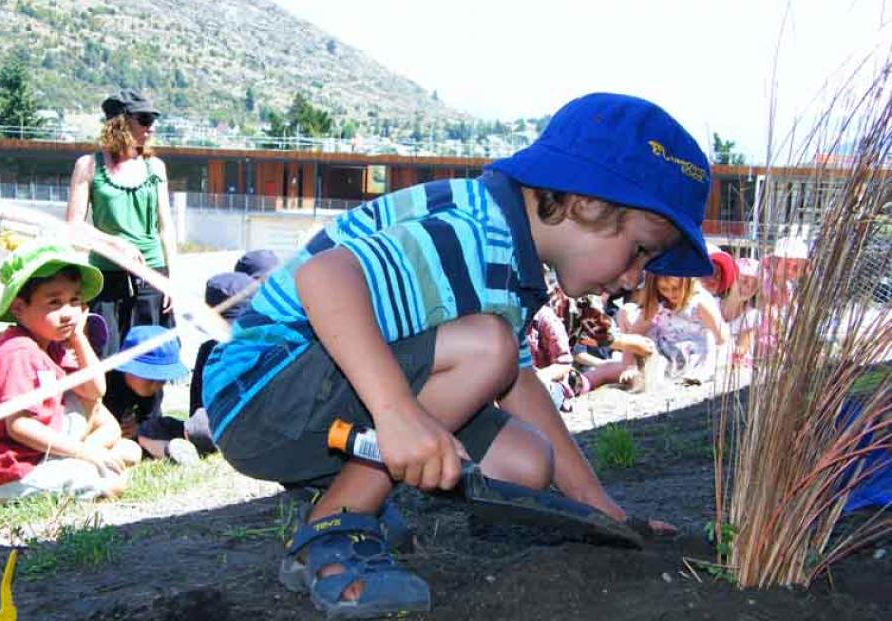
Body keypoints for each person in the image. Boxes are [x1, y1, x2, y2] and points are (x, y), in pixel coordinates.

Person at [202, 92, 713, 617]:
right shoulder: (472, 229)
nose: (635, 277)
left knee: (526, 462)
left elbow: (516, 383)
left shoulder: (514, 262)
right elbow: (324, 275)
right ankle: (334, 525)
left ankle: (332, 489)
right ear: (588, 202)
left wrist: (602, 509)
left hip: (323, 398)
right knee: (488, 346)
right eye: (641, 250)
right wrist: (397, 414)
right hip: (261, 393)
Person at [0, 242, 137, 500]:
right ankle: (0, 497)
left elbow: (95, 391)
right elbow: (19, 425)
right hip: (10, 471)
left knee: (123, 447)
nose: (68, 313)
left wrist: (79, 337)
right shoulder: (18, 351)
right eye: (54, 302)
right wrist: (83, 452)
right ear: (19, 309)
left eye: (74, 300)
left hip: (34, 457)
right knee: (115, 482)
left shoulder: (51, 347)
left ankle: (75, 464)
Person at [65, 89, 178, 358]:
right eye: (145, 119)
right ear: (120, 122)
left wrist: (172, 281)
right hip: (106, 277)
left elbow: (166, 227)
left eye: (153, 120)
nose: (152, 127)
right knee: (107, 358)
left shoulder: (156, 167)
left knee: (150, 361)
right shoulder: (89, 166)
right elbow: (73, 226)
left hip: (152, 276)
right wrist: (114, 242)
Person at [103, 325, 197, 464]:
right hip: (106, 435)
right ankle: (168, 452)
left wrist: (138, 427)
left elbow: (151, 418)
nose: (157, 384)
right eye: (151, 377)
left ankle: (180, 448)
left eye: (162, 378)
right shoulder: (106, 383)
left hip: (137, 435)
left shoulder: (153, 390)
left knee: (160, 428)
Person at [187, 271, 256, 456]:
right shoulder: (208, 349)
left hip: (260, 418)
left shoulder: (266, 344)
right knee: (195, 426)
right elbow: (197, 407)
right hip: (222, 422)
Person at [634, 275, 727, 385]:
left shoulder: (699, 302)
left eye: (676, 288)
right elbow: (634, 333)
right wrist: (628, 365)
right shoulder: (658, 303)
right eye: (664, 289)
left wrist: (717, 362)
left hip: (693, 353)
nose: (671, 294)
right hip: (664, 351)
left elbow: (722, 336)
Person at [721, 257, 761, 366]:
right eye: (744, 280)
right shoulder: (711, 304)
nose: (748, 287)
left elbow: (743, 346)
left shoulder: (752, 316)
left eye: (754, 285)